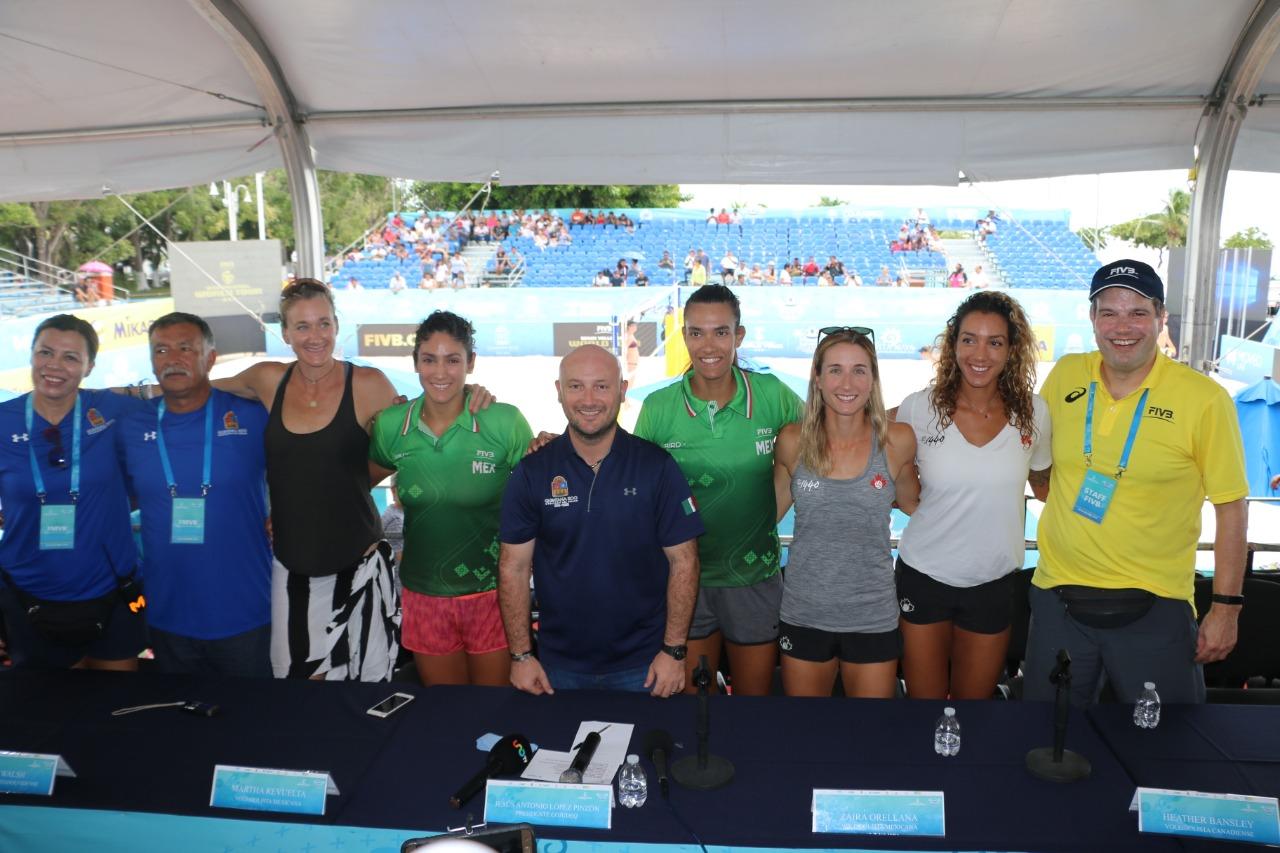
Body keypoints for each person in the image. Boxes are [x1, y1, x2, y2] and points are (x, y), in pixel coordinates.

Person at [1024, 260, 1248, 706]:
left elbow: (1232, 508)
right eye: (1109, 312)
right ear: (1092, 319)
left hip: (1156, 606)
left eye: (1138, 313)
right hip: (1058, 601)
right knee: (1047, 743)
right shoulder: (1067, 373)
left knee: (1167, 751)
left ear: (1161, 318)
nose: (1122, 327)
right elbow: (1039, 461)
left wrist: (1225, 608)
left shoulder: (1204, 399)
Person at [210, 280, 405, 681]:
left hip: (360, 561)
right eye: (302, 327)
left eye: (323, 324)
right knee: (297, 687)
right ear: (285, 333)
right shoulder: (267, 379)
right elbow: (190, 390)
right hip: (294, 566)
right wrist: (116, 396)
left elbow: (409, 445)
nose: (315, 336)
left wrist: (337, 489)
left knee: (367, 692)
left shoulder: (370, 384)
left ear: (336, 326)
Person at [498, 345, 703, 695]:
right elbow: (513, 568)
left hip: (646, 665)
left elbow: (684, 562)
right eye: (576, 386)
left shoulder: (657, 467)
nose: (589, 399)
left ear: (622, 391)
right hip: (555, 668)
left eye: (602, 386)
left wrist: (673, 651)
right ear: (559, 391)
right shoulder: (532, 471)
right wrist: (520, 656)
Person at [635, 285, 803, 695]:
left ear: (738, 336)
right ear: (684, 336)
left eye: (720, 332)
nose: (708, 345)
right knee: (694, 707)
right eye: (696, 333)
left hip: (754, 577)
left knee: (753, 704)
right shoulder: (658, 408)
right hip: (682, 580)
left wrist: (772, 510)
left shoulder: (772, 396)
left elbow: (828, 436)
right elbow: (633, 488)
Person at [892, 292, 1051, 700]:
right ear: (953, 344)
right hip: (924, 576)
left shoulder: (1035, 413)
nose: (980, 353)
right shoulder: (917, 408)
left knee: (974, 710)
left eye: (995, 342)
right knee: (924, 708)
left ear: (1011, 350)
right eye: (969, 339)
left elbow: (1046, 483)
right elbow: (864, 439)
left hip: (994, 582)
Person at [370, 311, 532, 686]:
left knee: (493, 711)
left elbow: (541, 495)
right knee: (445, 715)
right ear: (415, 363)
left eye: (453, 360)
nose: (440, 372)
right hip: (424, 596)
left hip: (494, 594)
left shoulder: (504, 422)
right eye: (429, 359)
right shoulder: (393, 425)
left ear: (470, 363)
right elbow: (355, 482)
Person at [121, 312, 272, 677]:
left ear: (211, 358)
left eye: (185, 348)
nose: (172, 358)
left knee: (254, 725)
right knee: (182, 729)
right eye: (161, 350)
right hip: (167, 616)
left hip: (246, 614)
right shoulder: (130, 425)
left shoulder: (253, 416)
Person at [772, 327, 919, 697]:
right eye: (835, 369)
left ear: (873, 380)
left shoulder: (897, 441)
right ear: (817, 379)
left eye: (859, 370)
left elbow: (916, 504)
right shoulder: (792, 441)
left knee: (869, 736)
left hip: (872, 615)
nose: (847, 382)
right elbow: (764, 516)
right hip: (805, 612)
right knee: (805, 732)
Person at [0, 315, 147, 670]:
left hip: (113, 592)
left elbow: (189, 397)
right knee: (49, 717)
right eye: (45, 353)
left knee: (116, 709)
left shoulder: (114, 410)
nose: (54, 365)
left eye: (70, 357)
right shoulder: (3, 420)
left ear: (89, 366)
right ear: (32, 356)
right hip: (27, 594)